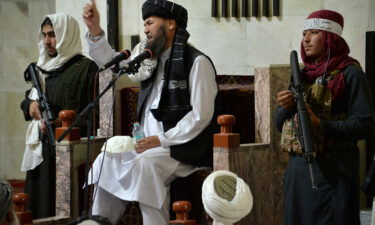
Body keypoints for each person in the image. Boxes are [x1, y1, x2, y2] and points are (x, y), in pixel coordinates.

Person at [82, 0, 220, 224]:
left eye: (150, 23)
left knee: (146, 166)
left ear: (171, 24)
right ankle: (99, 221)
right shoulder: (148, 61)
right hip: (148, 145)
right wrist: (95, 31)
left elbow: (200, 116)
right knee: (108, 158)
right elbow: (114, 63)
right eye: (144, 24)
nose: (145, 29)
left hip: (182, 149)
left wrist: (162, 140)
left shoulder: (196, 62)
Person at [275, 9, 375, 225]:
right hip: (298, 171)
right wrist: (286, 107)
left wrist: (321, 125)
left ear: (329, 38)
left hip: (334, 170)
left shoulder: (350, 73)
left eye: (313, 33)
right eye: (304, 34)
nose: (306, 40)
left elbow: (365, 125)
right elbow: (277, 125)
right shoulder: (301, 75)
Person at [20, 13, 98, 219]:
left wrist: (59, 124)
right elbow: (26, 101)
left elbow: (95, 115)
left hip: (71, 153)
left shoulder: (86, 69)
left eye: (53, 35)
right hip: (43, 151)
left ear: (67, 34)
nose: (47, 41)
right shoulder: (43, 67)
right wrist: (31, 106)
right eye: (45, 35)